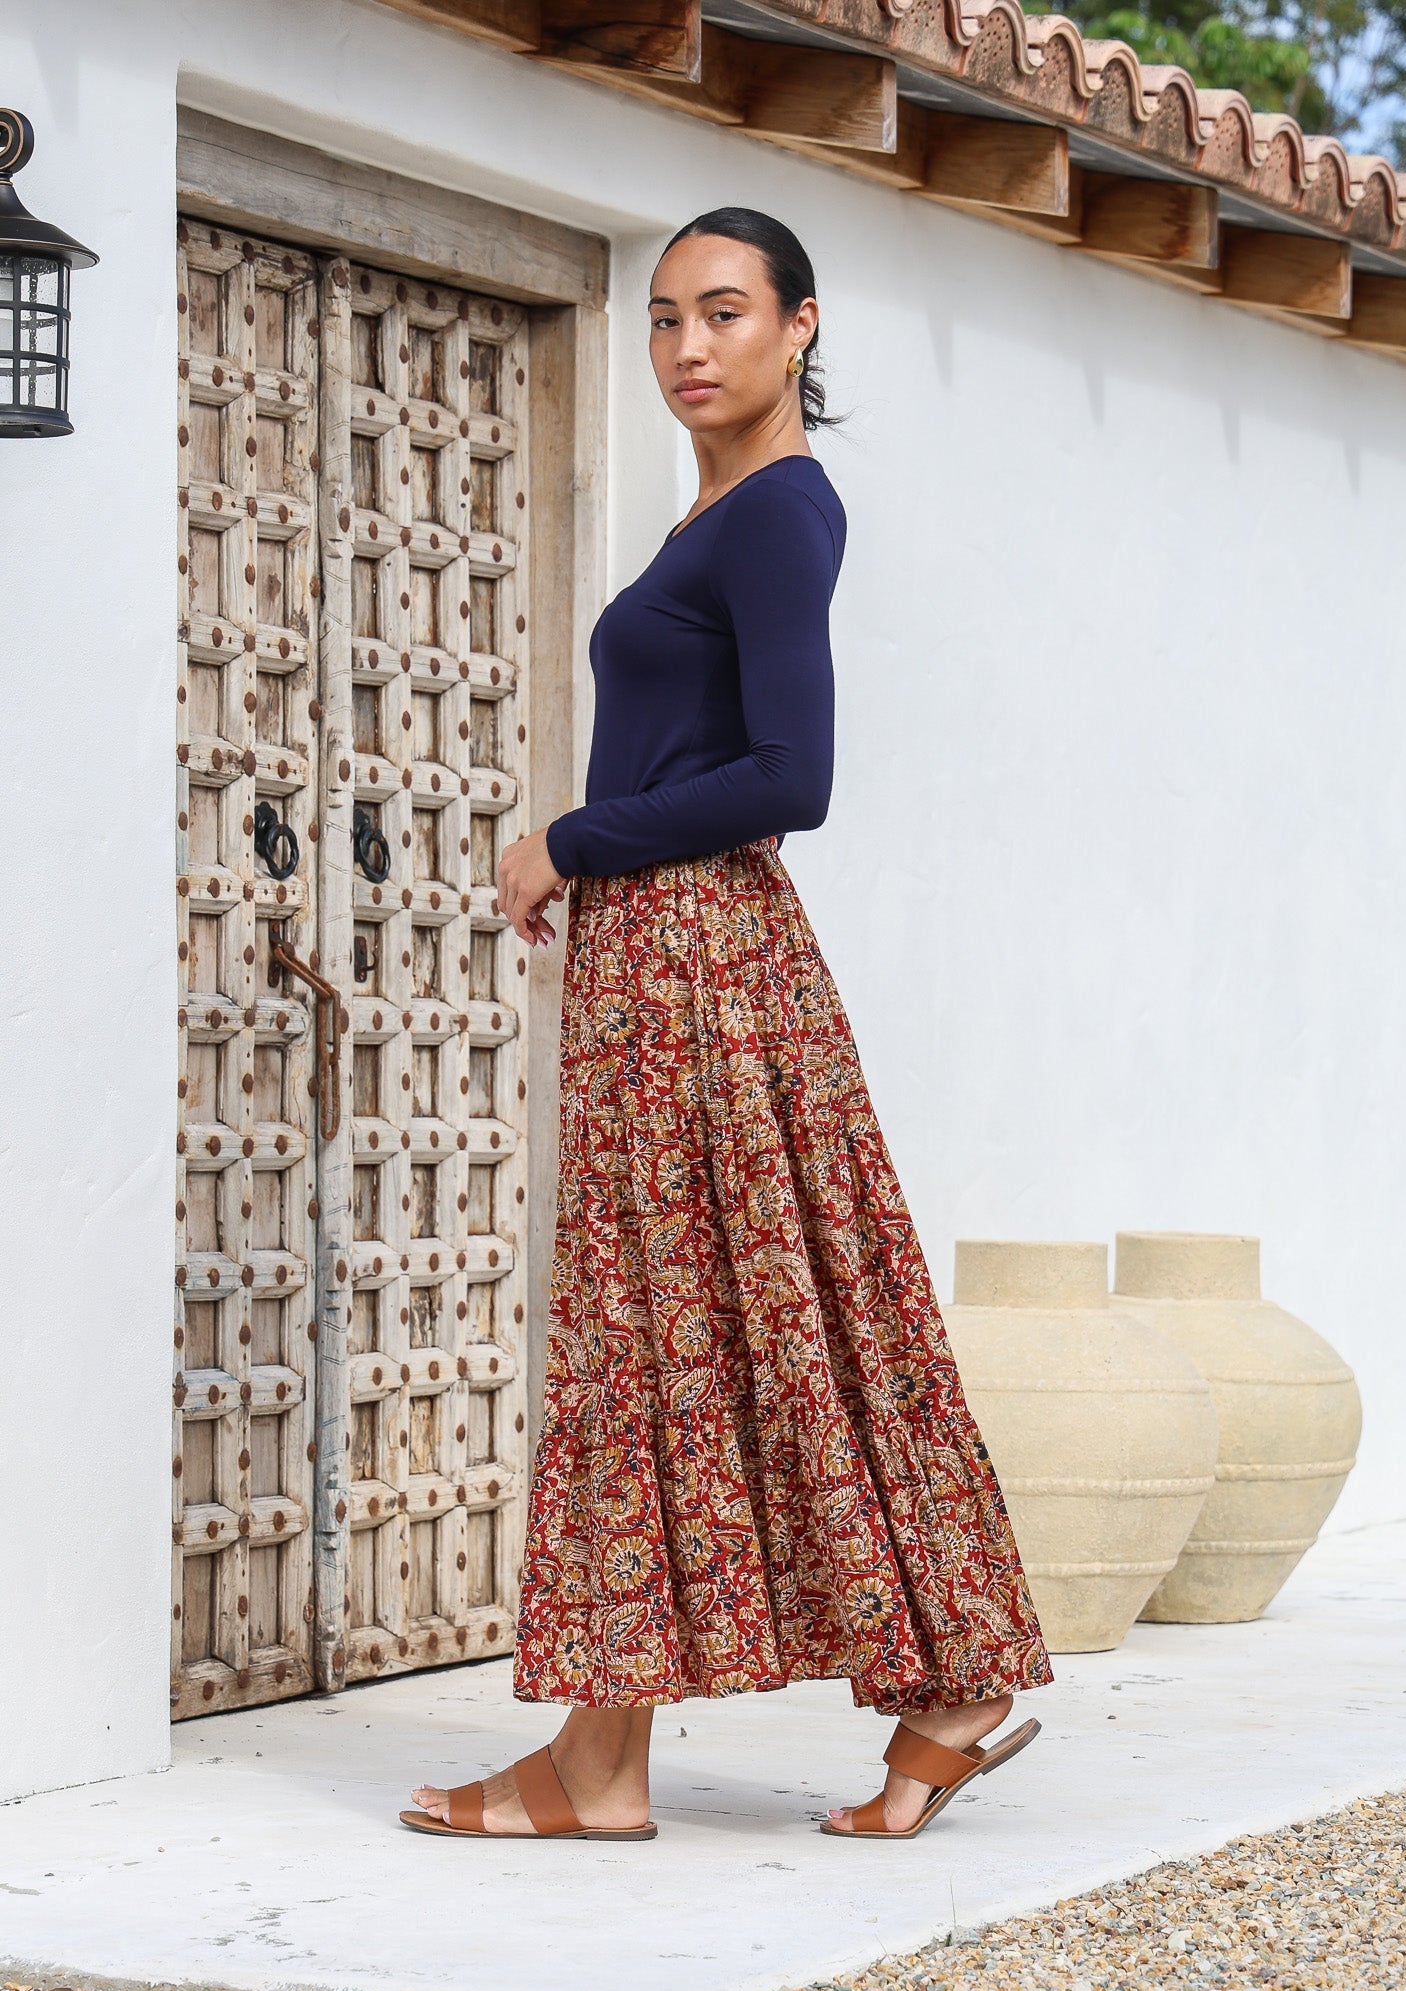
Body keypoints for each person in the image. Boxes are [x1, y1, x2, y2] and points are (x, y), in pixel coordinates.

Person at [401, 206, 1052, 1845]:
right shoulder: (724, 510)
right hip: (672, 959)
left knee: (659, 1333)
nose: (690, 346)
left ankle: (622, 1759)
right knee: (713, 1328)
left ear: (800, 329)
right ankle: (846, 1706)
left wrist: (569, 838)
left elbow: (793, 777)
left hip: (697, 959)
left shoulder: (774, 516)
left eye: (726, 313)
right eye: (667, 320)